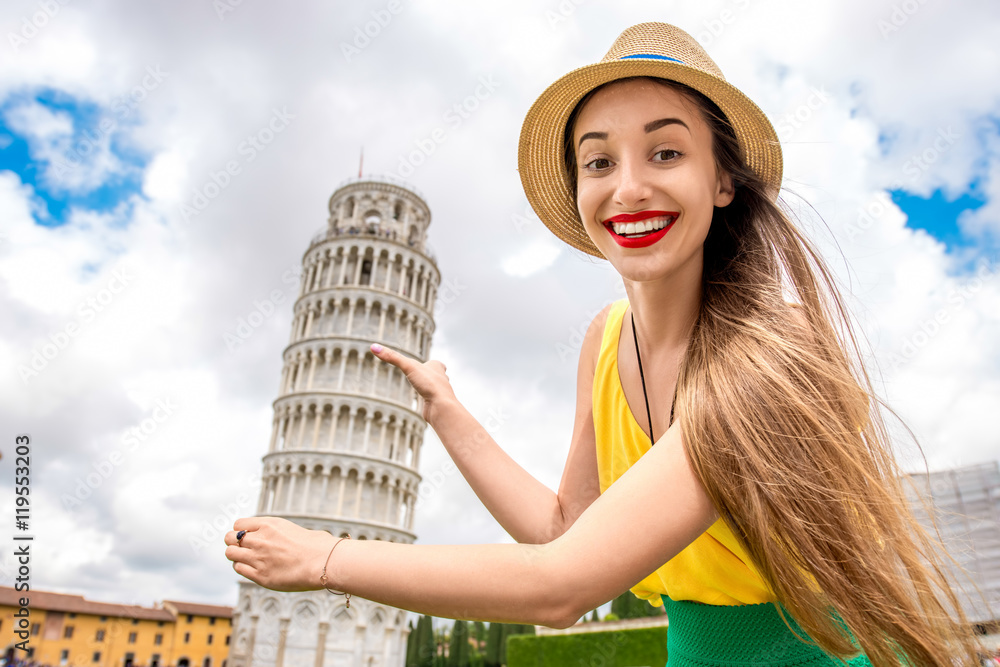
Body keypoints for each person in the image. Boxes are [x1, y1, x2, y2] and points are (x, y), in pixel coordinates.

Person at [225, 23, 981, 665]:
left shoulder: (770, 356)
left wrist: (323, 558)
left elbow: (563, 584)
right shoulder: (604, 337)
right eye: (598, 161)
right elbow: (568, 531)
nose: (627, 188)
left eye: (665, 153)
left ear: (722, 181)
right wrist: (448, 412)